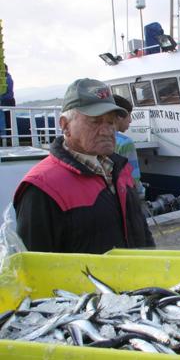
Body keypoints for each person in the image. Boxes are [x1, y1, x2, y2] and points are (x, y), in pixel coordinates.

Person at [13, 78, 155, 253]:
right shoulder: (42, 188)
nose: (106, 130)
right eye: (95, 121)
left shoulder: (120, 169)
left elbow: (141, 231)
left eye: (110, 122)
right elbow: (33, 267)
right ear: (65, 126)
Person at [113, 94, 145, 199]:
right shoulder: (125, 143)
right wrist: (141, 193)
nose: (130, 120)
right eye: (129, 115)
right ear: (119, 117)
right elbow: (133, 178)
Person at [0, 64, 16, 140]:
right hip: (5, 101)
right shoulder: (6, 78)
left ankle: (9, 138)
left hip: (8, 101)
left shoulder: (7, 79)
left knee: (9, 121)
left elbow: (6, 92)